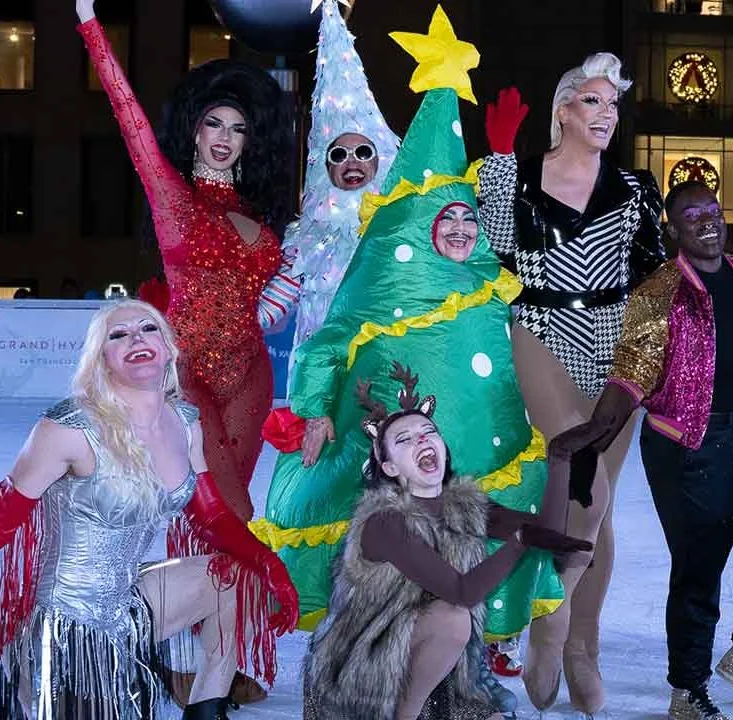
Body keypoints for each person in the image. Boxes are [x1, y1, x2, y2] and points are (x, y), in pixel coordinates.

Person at [257, 16, 567, 711]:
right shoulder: (378, 278)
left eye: (467, 220)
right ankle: (370, 661)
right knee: (384, 554)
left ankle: (472, 652)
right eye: (444, 223)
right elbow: (325, 342)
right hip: (383, 439)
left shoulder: (487, 288)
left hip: (474, 449)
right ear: (417, 229)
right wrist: (308, 409)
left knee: (465, 543)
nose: (458, 231)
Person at [0, 300, 298, 720]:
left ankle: (205, 710)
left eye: (148, 328)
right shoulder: (70, 428)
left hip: (129, 603)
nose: (136, 338)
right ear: (102, 360)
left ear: (169, 348)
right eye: (118, 335)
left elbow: (211, 517)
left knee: (226, 576)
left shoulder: (184, 423)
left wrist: (270, 564)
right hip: (61, 627)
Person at [555, 181, 733, 720]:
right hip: (692, 446)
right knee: (701, 568)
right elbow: (631, 374)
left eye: (713, 210)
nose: (707, 220)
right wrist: (597, 433)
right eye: (692, 214)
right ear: (675, 227)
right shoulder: (660, 292)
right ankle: (688, 688)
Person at [475, 50, 668, 714]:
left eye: (613, 104)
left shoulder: (635, 187)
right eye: (593, 101)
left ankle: (580, 645)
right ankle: (549, 626)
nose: (606, 114)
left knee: (598, 504)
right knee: (580, 471)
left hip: (616, 344)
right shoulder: (519, 178)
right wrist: (498, 162)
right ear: (563, 109)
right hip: (540, 328)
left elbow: (658, 276)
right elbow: (495, 249)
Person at [80, 0, 295, 521]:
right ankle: (264, 589)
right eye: (214, 124)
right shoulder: (171, 197)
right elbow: (127, 111)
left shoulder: (260, 217)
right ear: (195, 130)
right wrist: (89, 19)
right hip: (187, 371)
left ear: (249, 141)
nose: (224, 138)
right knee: (222, 504)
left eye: (237, 129)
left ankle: (220, 600)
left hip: (251, 374)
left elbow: (279, 295)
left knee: (225, 499)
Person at [302, 366, 592, 720]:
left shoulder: (464, 505)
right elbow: (462, 592)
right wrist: (518, 542)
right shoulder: (386, 520)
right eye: (405, 440)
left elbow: (548, 530)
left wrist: (560, 459)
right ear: (389, 468)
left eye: (428, 432)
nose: (422, 440)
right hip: (363, 673)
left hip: (437, 674)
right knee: (453, 619)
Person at [253, 0, 401, 356]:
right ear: (326, 168)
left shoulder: (400, 226)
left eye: (363, 152)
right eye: (339, 154)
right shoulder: (309, 238)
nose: (352, 162)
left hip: (389, 366)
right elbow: (270, 311)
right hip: (324, 372)